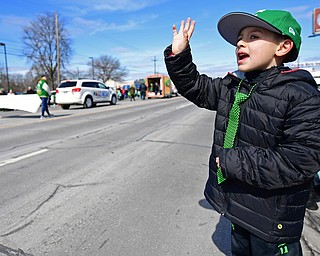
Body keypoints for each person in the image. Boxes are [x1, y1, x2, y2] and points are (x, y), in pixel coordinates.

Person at [164, 10, 320, 256]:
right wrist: (179, 55)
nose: (240, 43)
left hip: (272, 223)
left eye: (253, 36)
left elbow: (300, 160)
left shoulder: (299, 93)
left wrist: (230, 161)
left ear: (283, 46)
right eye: (239, 38)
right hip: (237, 211)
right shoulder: (234, 85)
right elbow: (197, 87)